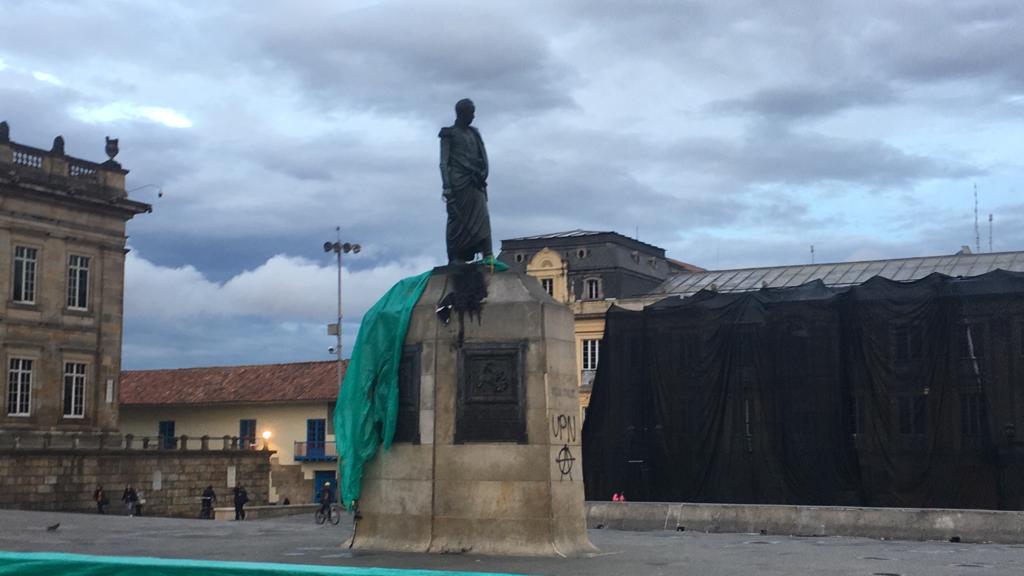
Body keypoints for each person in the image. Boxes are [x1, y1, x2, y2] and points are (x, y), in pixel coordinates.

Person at [439, 98, 493, 264]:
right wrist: (447, 186)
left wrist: (483, 173)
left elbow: (482, 156)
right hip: (458, 184)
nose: (473, 116)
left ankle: (488, 254)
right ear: (462, 113)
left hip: (475, 182)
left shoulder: (474, 133)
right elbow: (444, 162)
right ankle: (456, 256)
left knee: (482, 217)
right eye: (471, 112)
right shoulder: (449, 133)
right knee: (457, 219)